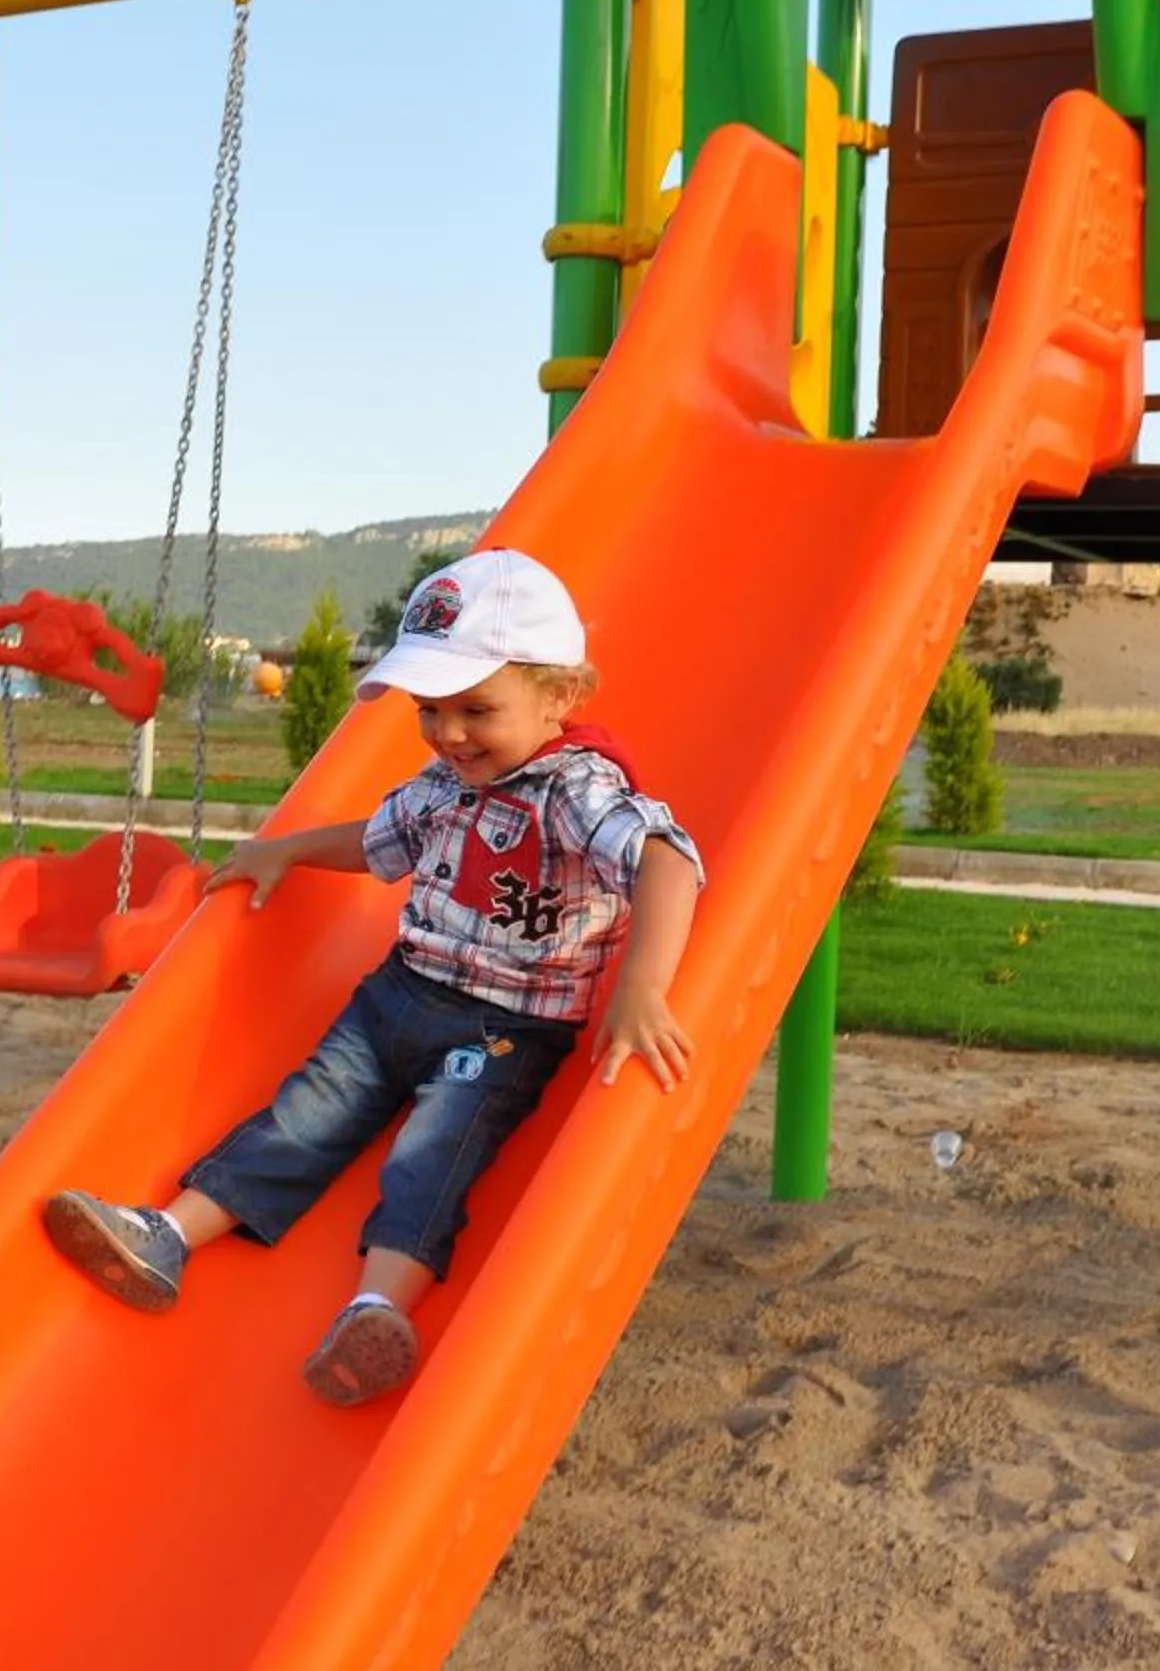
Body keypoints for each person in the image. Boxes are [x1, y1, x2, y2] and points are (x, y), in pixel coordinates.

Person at [41, 547, 703, 1407]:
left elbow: (667, 860)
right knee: (304, 1113)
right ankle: (167, 1235)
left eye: (478, 709)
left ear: (561, 698)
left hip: (505, 1029)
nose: (451, 733)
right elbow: (375, 841)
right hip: (399, 992)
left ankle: (377, 1310)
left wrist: (643, 985)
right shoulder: (443, 782)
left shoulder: (577, 790)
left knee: (433, 1154)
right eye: (432, 711)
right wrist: (287, 850)